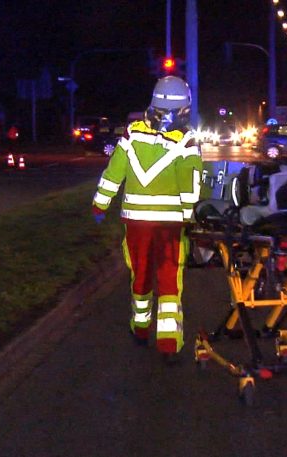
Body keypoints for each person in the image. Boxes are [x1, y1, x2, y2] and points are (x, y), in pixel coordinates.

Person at [91, 76, 202, 356]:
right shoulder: (187, 140)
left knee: (140, 274)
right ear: (185, 109)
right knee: (168, 277)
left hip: (136, 222)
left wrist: (100, 206)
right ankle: (168, 341)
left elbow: (113, 173)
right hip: (170, 225)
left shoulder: (132, 134)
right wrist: (190, 219)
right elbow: (191, 186)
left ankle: (140, 327)